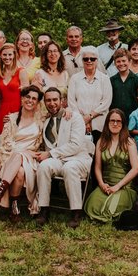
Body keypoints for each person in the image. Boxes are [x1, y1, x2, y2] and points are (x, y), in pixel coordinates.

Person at [35, 87, 94, 227]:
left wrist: (49, 154)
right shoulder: (46, 120)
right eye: (48, 100)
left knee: (69, 168)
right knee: (43, 166)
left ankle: (75, 213)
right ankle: (44, 210)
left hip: (78, 159)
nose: (52, 103)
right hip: (59, 160)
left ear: (62, 101)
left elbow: (75, 145)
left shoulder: (74, 117)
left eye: (55, 99)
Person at [0, 85, 45, 222]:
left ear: (37, 103)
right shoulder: (11, 119)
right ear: (22, 98)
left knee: (21, 158)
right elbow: (6, 143)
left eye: (34, 99)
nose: (30, 100)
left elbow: (57, 110)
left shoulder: (41, 121)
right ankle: (14, 207)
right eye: (28, 97)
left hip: (30, 159)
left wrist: (67, 111)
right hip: (9, 157)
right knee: (19, 170)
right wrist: (20, 152)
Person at [84, 108, 138, 224]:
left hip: (125, 187)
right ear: (107, 123)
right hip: (106, 186)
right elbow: (98, 167)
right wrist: (101, 184)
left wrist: (118, 186)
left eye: (118, 121)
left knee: (111, 209)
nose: (115, 123)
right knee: (92, 206)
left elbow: (136, 168)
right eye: (112, 120)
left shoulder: (129, 142)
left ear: (123, 124)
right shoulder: (101, 141)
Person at [68, 46, 113, 141]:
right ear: (82, 60)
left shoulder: (105, 79)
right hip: (79, 123)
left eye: (92, 59)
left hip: (100, 124)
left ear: (97, 60)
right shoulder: (74, 79)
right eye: (85, 59)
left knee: (98, 153)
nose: (89, 61)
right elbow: (72, 102)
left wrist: (89, 117)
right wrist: (83, 121)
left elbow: (106, 102)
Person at [0, 42, 27, 137]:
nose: (7, 57)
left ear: (14, 55)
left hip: (18, 111)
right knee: (2, 140)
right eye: (4, 55)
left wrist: (19, 115)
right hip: (3, 112)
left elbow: (26, 97)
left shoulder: (21, 72)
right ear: (0, 56)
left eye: (10, 54)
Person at [109, 48, 138, 117]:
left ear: (130, 61)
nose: (121, 64)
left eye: (124, 61)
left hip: (133, 117)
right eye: (118, 61)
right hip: (116, 117)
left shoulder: (137, 80)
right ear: (115, 63)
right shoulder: (111, 80)